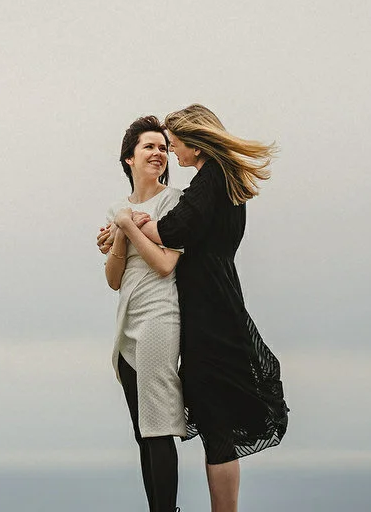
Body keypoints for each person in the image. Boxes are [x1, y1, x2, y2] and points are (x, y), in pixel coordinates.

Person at [138, 104, 288, 512]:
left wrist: (128, 220)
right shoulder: (225, 179)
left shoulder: (210, 179)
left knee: (216, 421)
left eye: (174, 145)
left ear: (194, 144)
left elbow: (169, 230)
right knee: (216, 422)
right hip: (220, 301)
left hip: (209, 312)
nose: (173, 155)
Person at [100, 115, 186, 512]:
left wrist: (127, 229)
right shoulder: (118, 208)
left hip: (159, 314)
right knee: (141, 431)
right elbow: (114, 278)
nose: (159, 153)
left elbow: (165, 265)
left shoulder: (173, 201)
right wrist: (120, 229)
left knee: (158, 427)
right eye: (149, 147)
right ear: (128, 159)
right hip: (127, 318)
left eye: (164, 148)